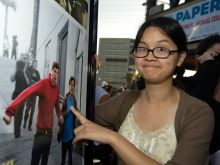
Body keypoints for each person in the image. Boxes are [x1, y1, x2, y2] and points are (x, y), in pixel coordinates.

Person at [71, 16, 214, 165]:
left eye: (161, 49)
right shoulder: (124, 100)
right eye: (143, 48)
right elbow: (80, 118)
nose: (150, 56)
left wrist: (114, 138)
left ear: (180, 58)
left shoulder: (198, 113)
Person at [3, 61, 64, 165]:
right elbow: (27, 92)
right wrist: (10, 111)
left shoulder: (56, 90)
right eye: (54, 71)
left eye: (57, 73)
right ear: (51, 71)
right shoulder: (43, 83)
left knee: (44, 162)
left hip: (49, 135)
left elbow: (57, 106)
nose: (55, 74)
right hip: (39, 134)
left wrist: (60, 116)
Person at [178, 35, 220, 156]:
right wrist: (210, 67)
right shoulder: (185, 84)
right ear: (199, 58)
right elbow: (197, 108)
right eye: (216, 56)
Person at [58, 76, 78, 165]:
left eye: (73, 85)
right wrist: (69, 110)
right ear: (69, 85)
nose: (72, 87)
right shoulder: (65, 100)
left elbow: (76, 113)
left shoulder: (74, 100)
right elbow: (61, 115)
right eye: (71, 84)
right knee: (62, 159)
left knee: (70, 159)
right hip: (64, 134)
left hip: (71, 134)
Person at [10, 59, 29, 138]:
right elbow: (11, 79)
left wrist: (24, 72)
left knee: (20, 114)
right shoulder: (17, 71)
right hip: (17, 95)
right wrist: (16, 69)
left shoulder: (26, 72)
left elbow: (28, 83)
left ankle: (18, 131)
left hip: (23, 96)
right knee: (16, 114)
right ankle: (16, 133)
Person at [23, 59, 41, 131]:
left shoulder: (37, 73)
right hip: (29, 93)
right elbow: (26, 70)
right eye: (34, 63)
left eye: (36, 64)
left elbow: (39, 82)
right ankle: (25, 121)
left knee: (32, 110)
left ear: (36, 65)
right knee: (27, 109)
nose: (35, 65)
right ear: (32, 64)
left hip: (34, 94)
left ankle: (29, 125)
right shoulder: (29, 70)